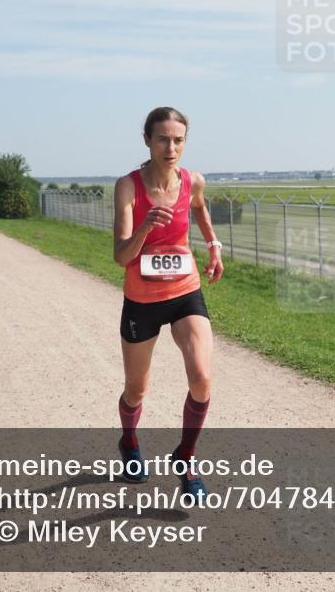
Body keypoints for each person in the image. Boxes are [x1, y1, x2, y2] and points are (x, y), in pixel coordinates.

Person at [113, 107, 224, 499]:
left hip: (184, 291)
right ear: (147, 140)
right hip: (142, 300)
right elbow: (121, 257)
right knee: (136, 390)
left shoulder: (193, 181)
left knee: (202, 378)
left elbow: (199, 207)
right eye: (162, 138)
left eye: (178, 139)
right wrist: (145, 226)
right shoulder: (128, 186)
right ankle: (129, 443)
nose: (170, 147)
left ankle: (186, 458)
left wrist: (212, 246)